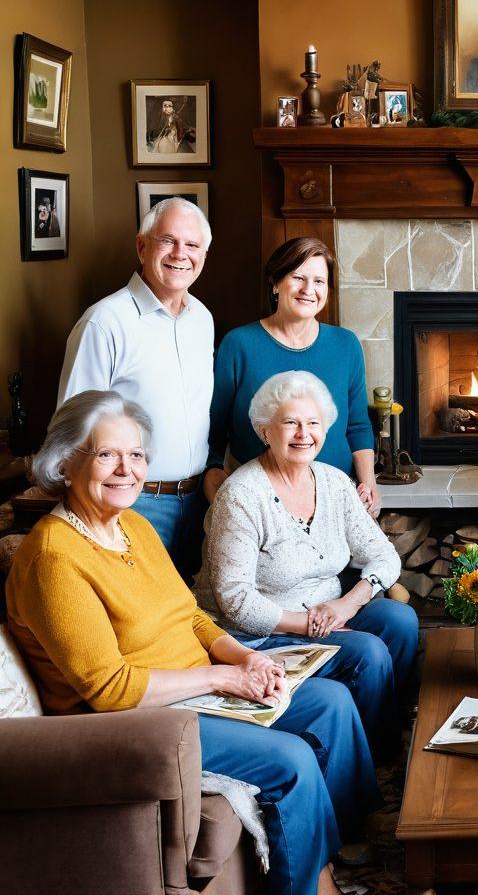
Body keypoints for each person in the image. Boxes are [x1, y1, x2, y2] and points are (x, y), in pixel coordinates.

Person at [4, 391, 379, 895]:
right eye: (107, 454)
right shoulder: (54, 557)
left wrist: (246, 656)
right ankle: (310, 882)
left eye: (135, 455)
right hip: (135, 720)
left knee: (329, 702)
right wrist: (226, 676)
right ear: (67, 461)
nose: (126, 470)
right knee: (289, 761)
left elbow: (191, 617)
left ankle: (339, 845)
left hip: (194, 687)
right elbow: (110, 690)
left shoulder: (132, 526)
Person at [196, 371, 418, 757]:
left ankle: (382, 738)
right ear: (265, 431)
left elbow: (384, 556)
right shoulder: (242, 497)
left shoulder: (334, 483)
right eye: (291, 423)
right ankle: (370, 755)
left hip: (329, 612)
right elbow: (234, 599)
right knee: (368, 652)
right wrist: (309, 624)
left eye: (313, 423)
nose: (304, 433)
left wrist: (347, 604)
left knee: (400, 621)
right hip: (259, 632)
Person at [57, 197, 213, 578]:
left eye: (192, 245)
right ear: (142, 246)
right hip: (132, 502)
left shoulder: (202, 319)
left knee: (185, 620)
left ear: (204, 255)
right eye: (168, 241)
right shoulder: (105, 322)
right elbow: (71, 431)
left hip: (196, 502)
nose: (181, 254)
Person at [205, 237, 380, 516]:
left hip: (333, 501)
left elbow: (357, 426)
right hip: (258, 503)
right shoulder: (238, 344)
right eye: (298, 278)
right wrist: (212, 468)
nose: (309, 290)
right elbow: (215, 426)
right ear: (275, 283)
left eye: (319, 281)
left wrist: (368, 481)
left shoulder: (346, 345)